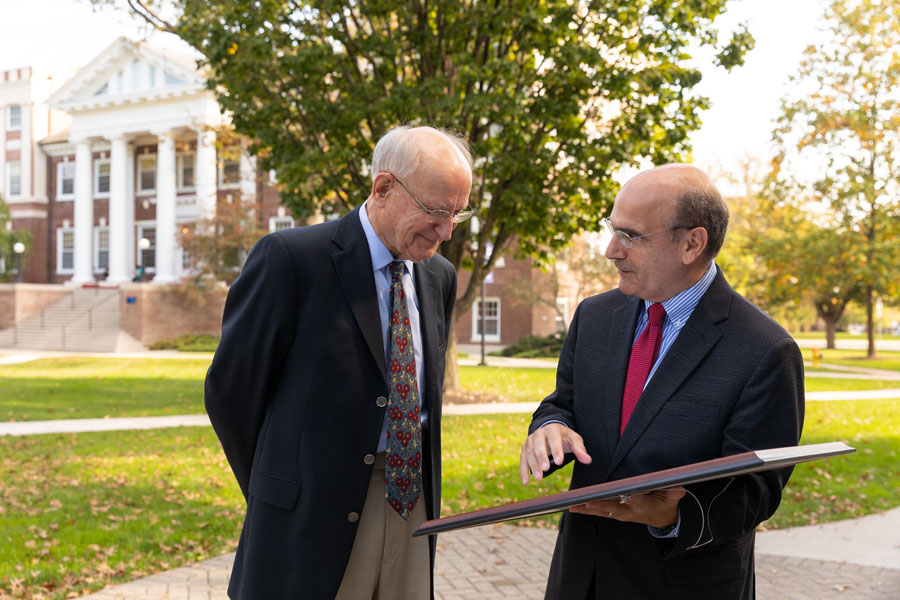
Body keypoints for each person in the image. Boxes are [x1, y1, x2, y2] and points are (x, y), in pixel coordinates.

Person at [205, 125, 473, 599]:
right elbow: (231, 395)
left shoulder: (440, 276)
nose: (446, 231)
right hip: (314, 510)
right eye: (434, 211)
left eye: (457, 214)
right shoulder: (292, 260)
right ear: (384, 188)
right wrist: (282, 488)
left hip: (412, 501)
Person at [519, 164, 805, 599]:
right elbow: (564, 404)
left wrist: (671, 516)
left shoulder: (765, 350)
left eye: (631, 236)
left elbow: (756, 491)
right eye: (613, 230)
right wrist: (548, 427)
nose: (611, 250)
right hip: (580, 575)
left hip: (679, 583)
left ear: (692, 243)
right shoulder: (594, 317)